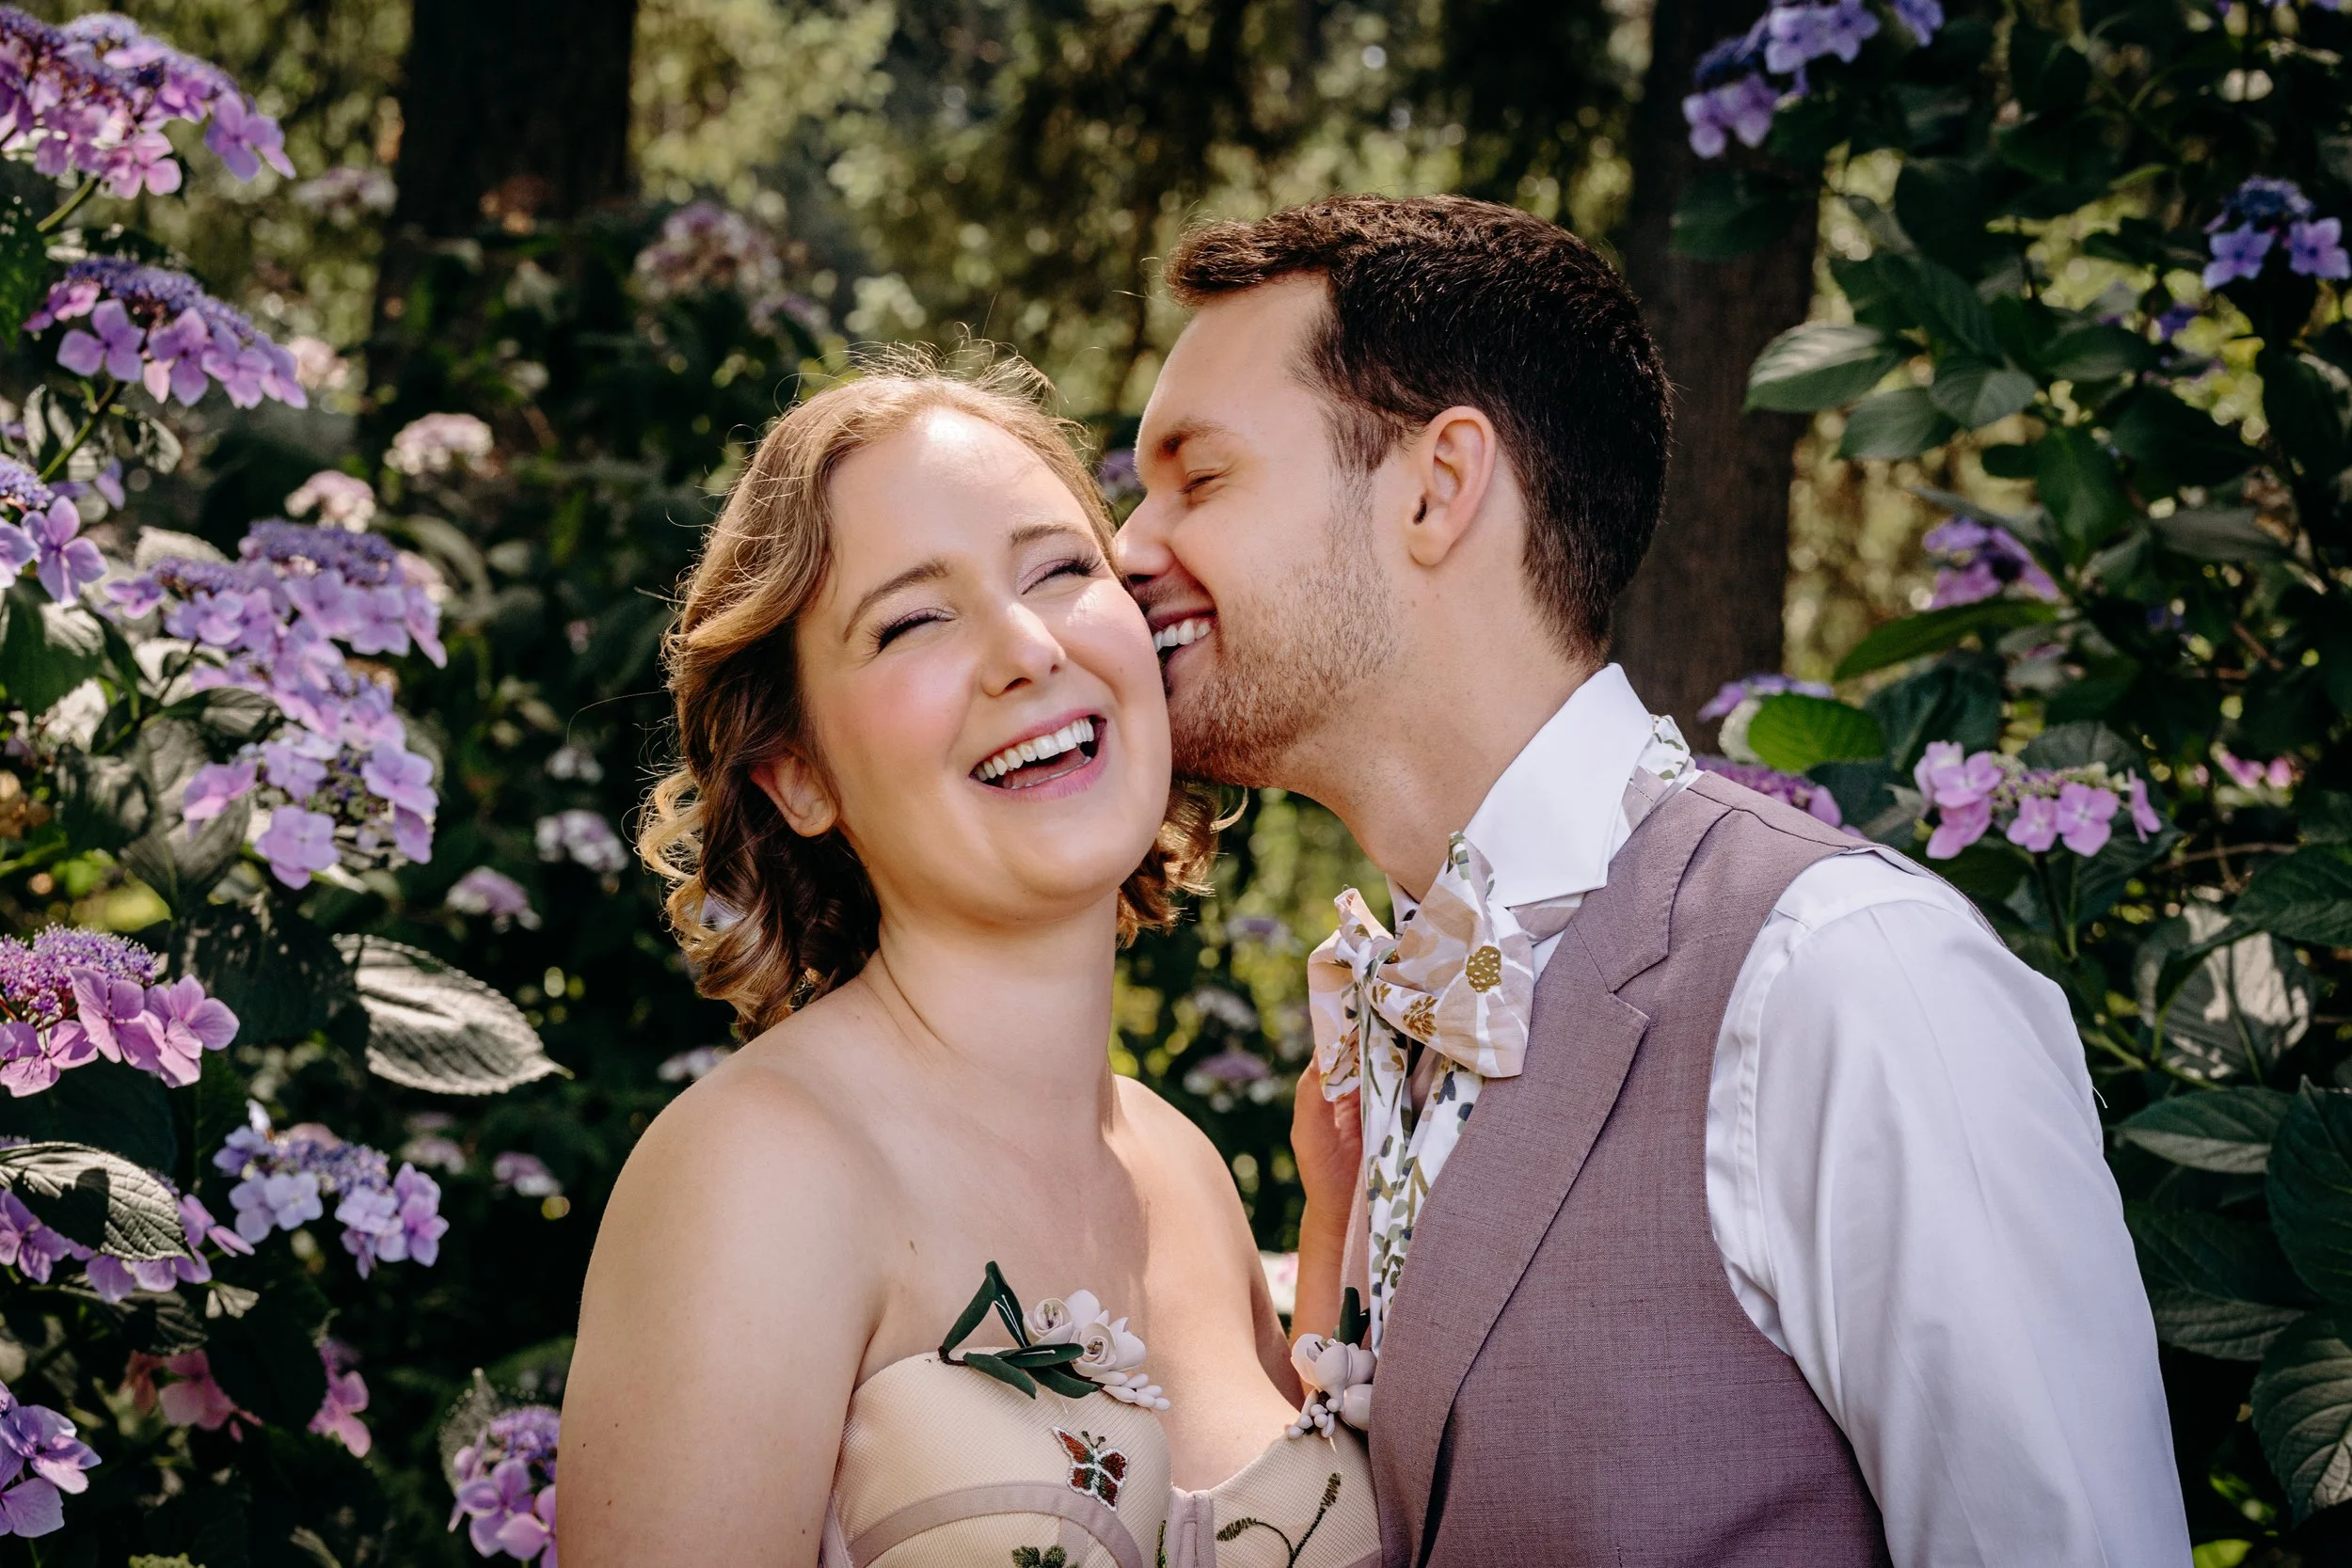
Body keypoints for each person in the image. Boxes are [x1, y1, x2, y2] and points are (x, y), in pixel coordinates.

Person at [1116, 195, 2192, 1568]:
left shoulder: (1844, 979)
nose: (1128, 547)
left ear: (1436, 488)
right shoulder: (1399, 1013)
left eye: (1198, 479)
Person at [558, 359, 1379, 1568]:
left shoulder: (1186, 1171)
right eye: (911, 620)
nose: (1026, 647)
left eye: (1060, 570)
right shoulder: (759, 1173)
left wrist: (1338, 1236)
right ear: (798, 774)